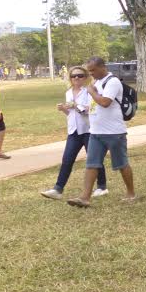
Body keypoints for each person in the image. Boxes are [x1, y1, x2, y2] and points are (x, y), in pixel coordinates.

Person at [68, 57, 136, 207]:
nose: (91, 74)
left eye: (93, 70)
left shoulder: (112, 82)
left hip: (114, 132)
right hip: (96, 132)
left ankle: (131, 193)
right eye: (89, 71)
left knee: (122, 164)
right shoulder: (96, 82)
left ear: (102, 67)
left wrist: (91, 92)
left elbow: (105, 102)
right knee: (91, 164)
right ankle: (84, 198)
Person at [42, 66, 107, 200]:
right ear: (70, 78)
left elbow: (92, 110)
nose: (76, 78)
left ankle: (102, 186)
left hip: (89, 130)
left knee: (94, 159)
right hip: (73, 131)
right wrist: (63, 109)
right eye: (73, 76)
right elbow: (70, 113)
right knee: (67, 160)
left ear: (86, 77)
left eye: (80, 75)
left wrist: (76, 106)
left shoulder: (90, 91)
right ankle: (58, 189)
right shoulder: (69, 92)